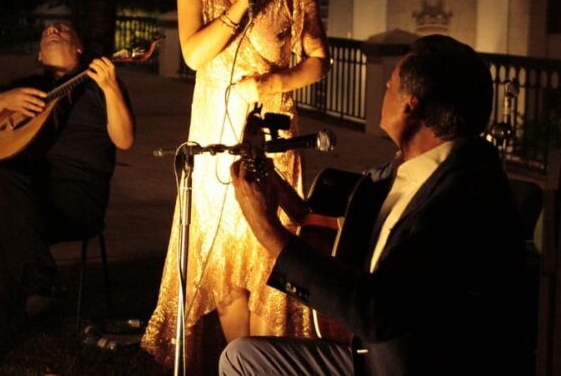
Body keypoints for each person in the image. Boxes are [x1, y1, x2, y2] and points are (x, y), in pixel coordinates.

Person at [222, 35, 527, 375]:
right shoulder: (414, 167)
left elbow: (377, 312)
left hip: (410, 364)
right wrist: (273, 182)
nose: (382, 92)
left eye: (388, 86)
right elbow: (333, 222)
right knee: (241, 357)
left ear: (409, 107)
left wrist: (266, 228)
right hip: (372, 354)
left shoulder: (462, 199)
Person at [141, 0, 330, 372]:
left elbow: (318, 62)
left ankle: (265, 365)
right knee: (226, 270)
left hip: (273, 140)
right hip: (214, 145)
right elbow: (194, 53)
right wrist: (241, 5)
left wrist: (272, 81)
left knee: (270, 260)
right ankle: (237, 364)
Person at [0, 21, 135, 368]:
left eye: (64, 29)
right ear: (38, 54)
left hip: (80, 199)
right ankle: (39, 275)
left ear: (79, 47)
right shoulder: (26, 88)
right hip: (32, 196)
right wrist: (4, 100)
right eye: (47, 31)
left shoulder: (101, 86)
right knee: (3, 179)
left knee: (11, 232)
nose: (53, 28)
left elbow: (124, 140)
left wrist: (110, 87)